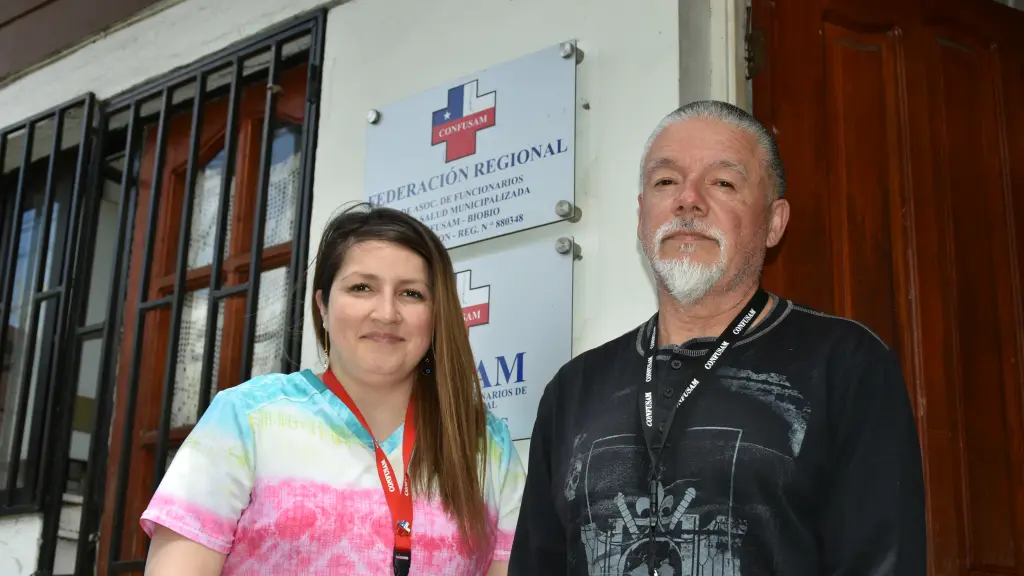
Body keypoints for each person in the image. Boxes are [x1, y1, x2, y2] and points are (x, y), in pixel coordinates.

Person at [507, 101, 926, 576]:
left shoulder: (846, 364)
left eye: (722, 182)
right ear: (642, 214)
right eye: (665, 182)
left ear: (774, 222)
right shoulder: (572, 389)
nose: (688, 200)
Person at [140, 203, 525, 575]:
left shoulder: (485, 443)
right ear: (323, 306)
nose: (387, 313)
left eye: (412, 293)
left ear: (437, 313)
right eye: (361, 288)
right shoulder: (248, 417)